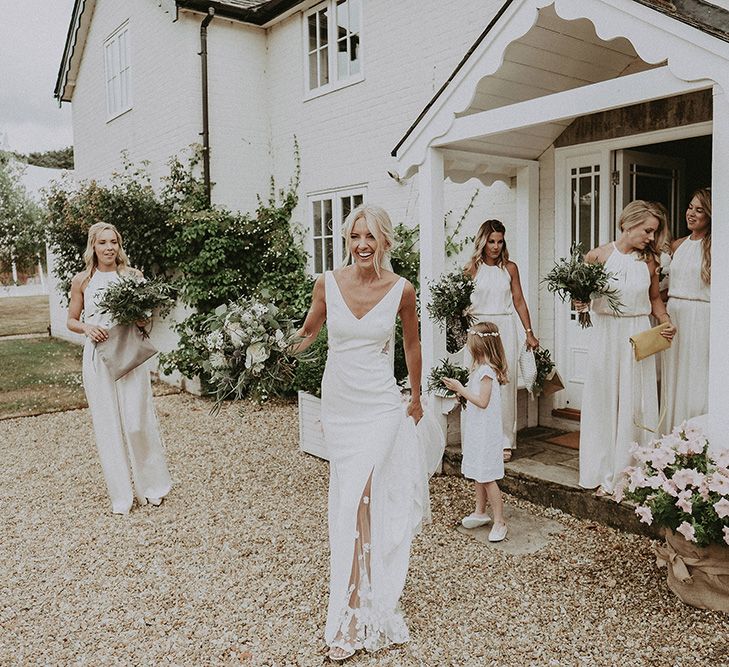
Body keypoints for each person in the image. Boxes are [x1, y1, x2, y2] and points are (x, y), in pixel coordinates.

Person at [294, 204, 440, 661]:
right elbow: (307, 333)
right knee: (347, 502)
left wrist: (416, 397)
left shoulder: (402, 290)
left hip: (379, 404)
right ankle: (355, 598)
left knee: (365, 497)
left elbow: (412, 345)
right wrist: (260, 351)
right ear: (347, 240)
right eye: (355, 236)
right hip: (340, 404)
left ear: (384, 242)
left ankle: (359, 607)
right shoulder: (327, 283)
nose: (362, 244)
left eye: (370, 237)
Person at [67, 222, 171, 514]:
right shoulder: (83, 280)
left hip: (128, 356)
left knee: (138, 423)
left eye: (113, 242)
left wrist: (140, 318)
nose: (109, 247)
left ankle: (150, 488)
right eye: (103, 242)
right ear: (93, 247)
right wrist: (87, 327)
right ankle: (122, 496)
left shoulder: (133, 276)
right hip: (98, 358)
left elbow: (144, 321)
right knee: (108, 425)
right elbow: (71, 320)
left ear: (119, 245)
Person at [576, 201, 676, 494]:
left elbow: (655, 297)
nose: (650, 237)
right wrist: (580, 303)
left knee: (635, 400)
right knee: (604, 398)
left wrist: (666, 320)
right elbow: (581, 298)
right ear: (628, 224)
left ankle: (633, 468)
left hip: (637, 331)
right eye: (647, 230)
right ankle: (600, 468)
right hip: (606, 334)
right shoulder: (597, 256)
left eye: (654, 232)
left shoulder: (649, 261)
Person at [464, 219, 539, 461]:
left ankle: (505, 440)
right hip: (478, 330)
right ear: (482, 241)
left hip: (504, 328)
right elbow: (460, 303)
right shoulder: (471, 269)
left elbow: (519, 301)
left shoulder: (510, 268)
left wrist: (529, 332)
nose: (495, 246)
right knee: (477, 383)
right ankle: (475, 439)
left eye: (500, 241)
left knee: (504, 386)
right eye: (491, 241)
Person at [442, 322, 509, 543]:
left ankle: (500, 521)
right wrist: (461, 394)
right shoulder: (479, 371)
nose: (468, 348)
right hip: (477, 430)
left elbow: (482, 401)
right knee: (479, 474)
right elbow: (476, 397)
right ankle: (480, 511)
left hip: (486, 434)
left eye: (470, 343)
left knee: (487, 477)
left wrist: (461, 388)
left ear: (479, 346)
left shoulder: (487, 372)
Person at [662, 188, 711, 432]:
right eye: (690, 207)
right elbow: (662, 284)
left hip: (701, 316)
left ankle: (696, 434)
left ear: (710, 215)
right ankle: (673, 432)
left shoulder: (716, 247)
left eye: (699, 210)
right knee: (674, 375)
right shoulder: (677, 245)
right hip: (674, 314)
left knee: (696, 375)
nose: (691, 214)